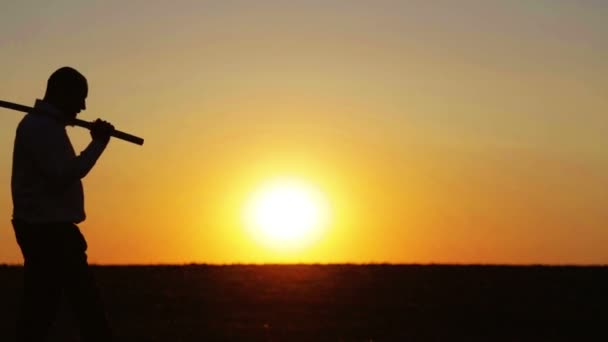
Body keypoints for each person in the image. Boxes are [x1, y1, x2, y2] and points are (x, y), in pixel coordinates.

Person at [11, 66, 115, 342]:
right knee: (85, 308)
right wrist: (98, 145)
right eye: (79, 97)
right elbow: (62, 175)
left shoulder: (44, 126)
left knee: (42, 310)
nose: (82, 107)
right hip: (49, 233)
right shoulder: (40, 128)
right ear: (61, 93)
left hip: (47, 230)